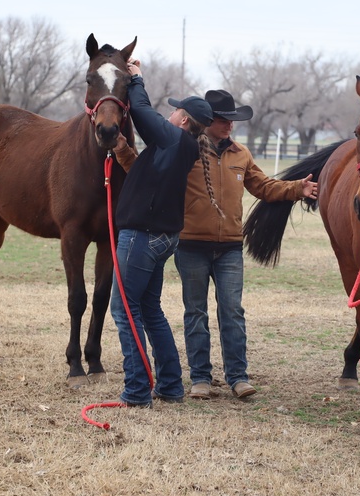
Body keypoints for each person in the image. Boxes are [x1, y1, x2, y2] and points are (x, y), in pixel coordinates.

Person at [176, 90, 318, 400]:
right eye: (223, 120)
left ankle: (238, 377)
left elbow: (264, 187)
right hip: (190, 246)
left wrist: (297, 188)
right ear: (207, 121)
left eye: (232, 120)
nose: (230, 125)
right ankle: (200, 378)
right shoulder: (184, 150)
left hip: (229, 248)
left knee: (233, 312)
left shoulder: (241, 154)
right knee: (196, 313)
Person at [109, 58, 218, 408]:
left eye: (174, 112)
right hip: (160, 238)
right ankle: (169, 385)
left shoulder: (174, 139)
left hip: (141, 237)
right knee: (150, 309)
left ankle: (138, 390)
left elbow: (141, 111)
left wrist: (137, 79)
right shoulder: (180, 146)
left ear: (183, 120)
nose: (169, 116)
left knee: (125, 309)